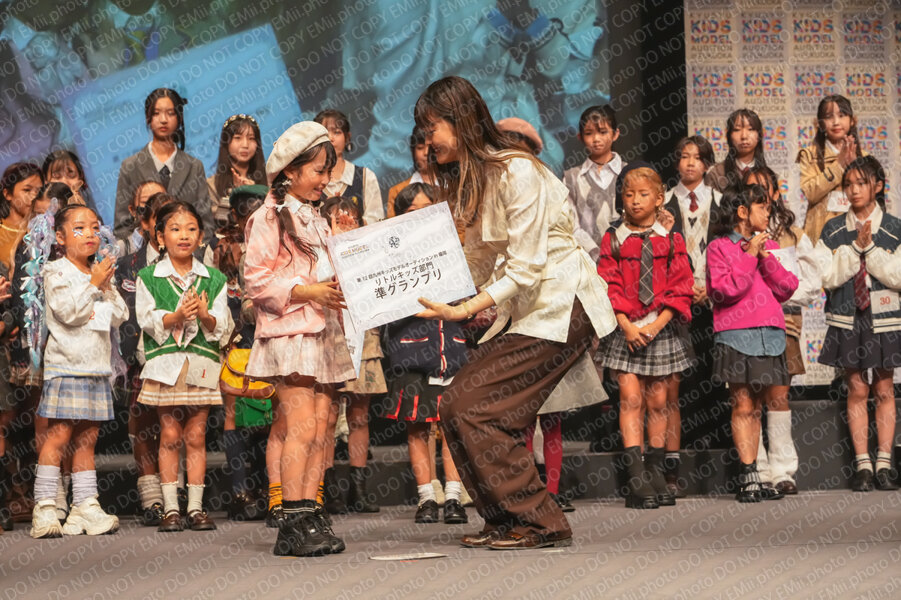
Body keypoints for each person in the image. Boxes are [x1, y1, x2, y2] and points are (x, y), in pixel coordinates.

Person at [414, 76, 616, 549]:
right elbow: (481, 257)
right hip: (533, 309)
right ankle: (505, 517)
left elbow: (525, 267)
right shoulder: (481, 176)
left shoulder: (517, 170)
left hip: (563, 303)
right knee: (459, 404)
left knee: (476, 405)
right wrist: (414, 289)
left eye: (432, 126)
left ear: (460, 120)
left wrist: (465, 308)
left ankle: (542, 521)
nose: (427, 139)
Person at [243, 121, 355, 557]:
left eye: (327, 171)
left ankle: (309, 511)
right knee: (302, 427)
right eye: (318, 170)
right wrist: (308, 291)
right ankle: (291, 521)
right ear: (290, 170)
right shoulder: (268, 217)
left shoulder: (318, 218)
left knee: (322, 428)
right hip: (291, 332)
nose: (325, 179)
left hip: (323, 330)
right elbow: (256, 281)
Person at [597, 162, 694, 509]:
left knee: (658, 401)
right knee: (631, 399)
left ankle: (655, 470)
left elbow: (681, 286)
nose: (635, 201)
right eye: (629, 194)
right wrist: (627, 326)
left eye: (643, 194)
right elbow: (608, 284)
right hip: (626, 330)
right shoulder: (613, 238)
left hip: (660, 329)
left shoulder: (671, 239)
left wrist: (655, 326)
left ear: (659, 199)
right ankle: (636, 476)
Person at [30, 205, 128, 538]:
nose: (90, 234)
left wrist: (105, 285)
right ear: (59, 237)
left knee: (87, 440)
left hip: (96, 368)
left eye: (95, 228)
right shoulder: (55, 271)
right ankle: (45, 506)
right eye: (80, 228)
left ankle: (84, 506)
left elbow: (119, 316)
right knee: (58, 436)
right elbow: (69, 312)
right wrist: (94, 285)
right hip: (67, 367)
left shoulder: (97, 271)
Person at [135, 201, 230, 532]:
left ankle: (196, 508)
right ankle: (171, 508)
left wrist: (204, 315)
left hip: (201, 364)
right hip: (166, 365)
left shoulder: (214, 279)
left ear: (201, 236)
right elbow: (145, 319)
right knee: (170, 434)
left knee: (196, 435)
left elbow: (222, 326)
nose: (184, 235)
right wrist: (176, 316)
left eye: (191, 229)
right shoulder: (148, 277)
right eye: (175, 229)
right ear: (160, 237)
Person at [377, 183, 468, 524]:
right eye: (412, 211)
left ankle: (455, 497)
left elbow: (466, 299)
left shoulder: (452, 249)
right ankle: (427, 498)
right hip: (412, 353)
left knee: (452, 427)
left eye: (427, 209)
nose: (420, 217)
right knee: (417, 428)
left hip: (451, 351)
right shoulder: (388, 256)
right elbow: (384, 303)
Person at [706, 187, 798, 503]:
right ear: (743, 211)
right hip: (736, 334)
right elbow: (724, 291)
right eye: (763, 208)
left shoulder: (770, 245)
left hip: (770, 334)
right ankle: (748, 474)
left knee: (758, 407)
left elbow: (787, 286)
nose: (768, 214)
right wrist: (748, 256)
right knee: (743, 405)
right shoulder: (719, 247)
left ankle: (761, 475)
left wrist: (764, 256)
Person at [814, 156, 901, 492]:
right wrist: (854, 248)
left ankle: (885, 464)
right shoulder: (834, 229)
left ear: (877, 186)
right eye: (848, 184)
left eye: (861, 183)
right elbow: (826, 276)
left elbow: (897, 276)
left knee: (884, 388)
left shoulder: (893, 228)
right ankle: (863, 465)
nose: (854, 190)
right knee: (857, 388)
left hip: (885, 316)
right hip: (848, 315)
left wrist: (871, 249)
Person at [743, 167, 821, 497]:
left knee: (778, 395)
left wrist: (779, 298)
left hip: (783, 323)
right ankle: (757, 468)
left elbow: (812, 282)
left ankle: (782, 471)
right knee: (750, 397)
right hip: (745, 324)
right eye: (751, 189)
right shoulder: (735, 236)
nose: (760, 194)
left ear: (776, 193)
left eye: (765, 188)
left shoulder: (792, 233)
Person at [660, 135, 723, 493]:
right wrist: (685, 288)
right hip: (677, 301)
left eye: (696, 158)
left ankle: (715, 443)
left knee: (715, 372)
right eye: (684, 157)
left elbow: (728, 248)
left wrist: (710, 286)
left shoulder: (721, 201)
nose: (689, 163)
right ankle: (676, 453)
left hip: (715, 299)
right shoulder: (664, 201)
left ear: (707, 164)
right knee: (678, 379)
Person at [317, 196, 384, 515]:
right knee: (327, 417)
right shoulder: (317, 253)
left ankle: (359, 489)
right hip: (328, 337)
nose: (347, 224)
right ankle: (328, 488)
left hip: (364, 337)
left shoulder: (368, 253)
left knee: (359, 415)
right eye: (339, 219)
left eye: (352, 220)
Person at [206, 184, 269, 521]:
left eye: (257, 210)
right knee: (234, 413)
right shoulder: (218, 248)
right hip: (234, 337)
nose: (251, 217)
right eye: (244, 211)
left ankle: (268, 489)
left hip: (270, 336)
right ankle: (239, 491)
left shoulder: (274, 242)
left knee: (269, 414)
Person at [115, 191, 174, 526]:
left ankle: (175, 494)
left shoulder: (190, 264)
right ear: (147, 223)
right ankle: (152, 499)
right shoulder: (127, 265)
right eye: (161, 220)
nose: (167, 228)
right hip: (138, 354)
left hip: (177, 352)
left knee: (175, 424)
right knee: (142, 424)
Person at [114, 88, 213, 242]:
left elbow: (205, 224)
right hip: (144, 252)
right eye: (156, 113)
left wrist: (192, 253)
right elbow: (122, 226)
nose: (163, 119)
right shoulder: (131, 166)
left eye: (170, 113)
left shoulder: (194, 166)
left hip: (188, 251)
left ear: (180, 118)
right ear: (148, 118)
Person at [798, 95, 863, 243]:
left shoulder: (864, 157)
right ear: (820, 124)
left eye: (842, 115)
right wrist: (839, 165)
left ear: (852, 120)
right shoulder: (809, 155)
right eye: (829, 117)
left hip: (855, 234)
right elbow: (810, 192)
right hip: (821, 234)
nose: (836, 122)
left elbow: (871, 199)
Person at [563, 105, 625, 261]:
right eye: (589, 133)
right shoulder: (571, 178)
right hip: (587, 263)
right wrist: (598, 256)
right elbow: (572, 226)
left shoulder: (630, 173)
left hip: (628, 259)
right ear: (580, 137)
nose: (596, 139)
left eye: (603, 132)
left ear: (615, 134)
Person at [314, 109, 383, 225]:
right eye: (324, 134)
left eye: (337, 132)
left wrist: (351, 221)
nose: (331, 138)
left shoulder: (365, 176)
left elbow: (377, 219)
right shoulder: (311, 180)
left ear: (347, 137)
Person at [207, 114, 267, 227]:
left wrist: (256, 192)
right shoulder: (211, 184)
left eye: (251, 138)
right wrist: (235, 196)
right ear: (226, 142)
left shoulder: (270, 179)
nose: (245, 145)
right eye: (238, 138)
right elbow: (216, 222)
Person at [706, 109, 767, 194]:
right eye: (737, 129)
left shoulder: (768, 176)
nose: (744, 136)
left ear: (759, 135)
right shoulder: (716, 175)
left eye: (750, 129)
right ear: (729, 135)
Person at [386, 126, 434, 218]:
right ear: (413, 151)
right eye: (420, 147)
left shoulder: (452, 187)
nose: (426, 152)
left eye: (431, 147)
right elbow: (394, 224)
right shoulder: (397, 191)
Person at [116, 181, 167, 256]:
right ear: (132, 210)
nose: (153, 207)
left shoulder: (177, 244)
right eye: (145, 202)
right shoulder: (120, 250)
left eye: (159, 201)